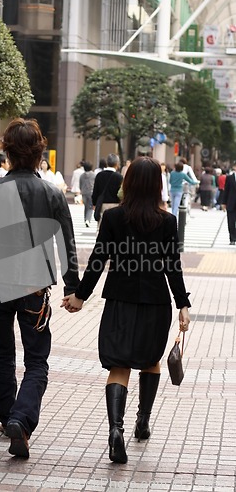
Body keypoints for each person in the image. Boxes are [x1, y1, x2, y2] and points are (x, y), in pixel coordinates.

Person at [0, 118, 80, 458]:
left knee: (3, 357)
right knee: (37, 360)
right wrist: (74, 288)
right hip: (34, 287)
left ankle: (8, 414)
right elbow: (67, 244)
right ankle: (21, 421)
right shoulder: (52, 193)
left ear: (6, 152)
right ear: (40, 153)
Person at [61, 157, 191, 464]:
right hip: (156, 303)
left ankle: (115, 431)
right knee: (150, 362)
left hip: (119, 301)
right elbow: (173, 267)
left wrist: (80, 295)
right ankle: (142, 422)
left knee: (118, 367)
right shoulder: (168, 221)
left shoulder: (114, 217)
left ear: (127, 183)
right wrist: (182, 304)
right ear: (158, 187)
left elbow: (98, 259)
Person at [92, 153, 123, 226]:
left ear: (107, 163)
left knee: (102, 227)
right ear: (117, 164)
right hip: (115, 205)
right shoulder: (119, 177)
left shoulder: (99, 175)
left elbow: (95, 191)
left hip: (102, 205)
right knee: (115, 227)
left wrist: (94, 203)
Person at [221, 162, 236, 244]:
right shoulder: (229, 178)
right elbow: (226, 190)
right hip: (231, 203)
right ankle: (232, 239)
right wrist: (223, 202)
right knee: (231, 222)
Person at [79, 161, 95, 227]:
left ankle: (85, 219)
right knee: (90, 207)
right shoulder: (93, 175)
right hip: (91, 192)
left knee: (86, 206)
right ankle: (88, 220)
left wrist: (81, 190)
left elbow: (80, 184)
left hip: (84, 192)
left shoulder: (82, 176)